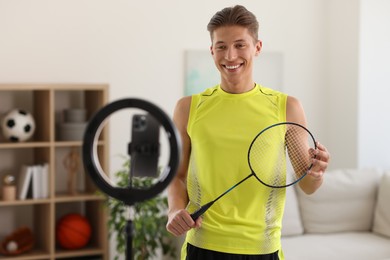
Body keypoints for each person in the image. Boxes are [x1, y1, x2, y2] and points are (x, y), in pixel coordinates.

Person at [166, 5, 330, 260]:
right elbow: (177, 175)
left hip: (262, 250)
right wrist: (175, 210)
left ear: (257, 47)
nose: (230, 56)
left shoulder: (287, 108)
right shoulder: (188, 108)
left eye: (240, 45)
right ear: (212, 51)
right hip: (203, 246)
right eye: (221, 46)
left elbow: (307, 185)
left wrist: (317, 173)